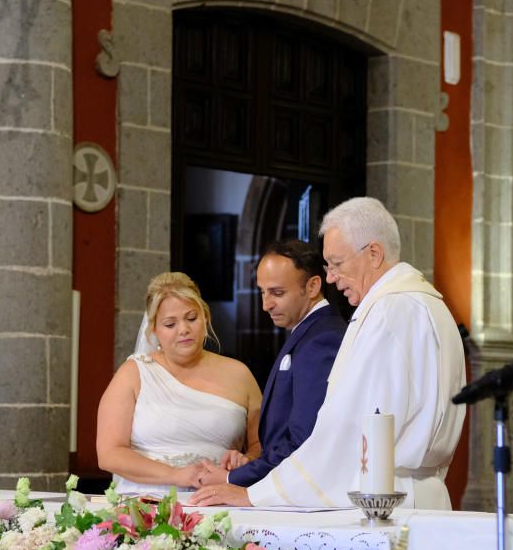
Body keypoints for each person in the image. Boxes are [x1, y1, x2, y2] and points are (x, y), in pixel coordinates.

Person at [191, 197, 467, 510]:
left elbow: (344, 429)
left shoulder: (388, 312)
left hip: (383, 502)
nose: (331, 278)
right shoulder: (431, 305)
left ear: (373, 253)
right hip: (421, 493)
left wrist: (255, 495)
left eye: (336, 264)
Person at [96, 272, 262, 495]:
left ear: (205, 317)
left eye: (191, 318)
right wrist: (178, 475)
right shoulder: (133, 373)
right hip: (145, 502)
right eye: (170, 323)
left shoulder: (240, 374)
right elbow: (109, 454)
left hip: (217, 499)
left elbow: (261, 445)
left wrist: (245, 460)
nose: (183, 329)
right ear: (154, 329)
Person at [198, 240, 346, 488]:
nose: (266, 305)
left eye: (277, 293)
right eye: (262, 292)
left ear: (312, 286)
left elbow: (303, 439)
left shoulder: (322, 339)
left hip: (302, 489)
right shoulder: (310, 332)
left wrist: (230, 478)